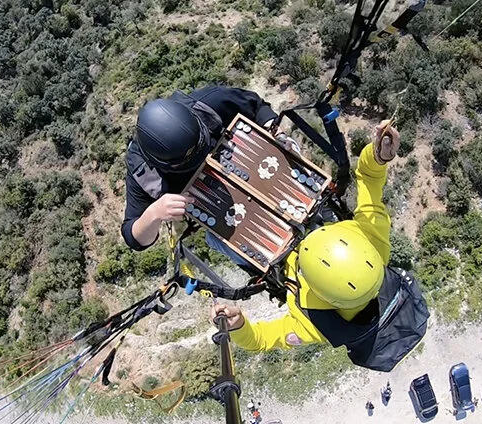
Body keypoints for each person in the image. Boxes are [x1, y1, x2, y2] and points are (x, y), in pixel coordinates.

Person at [210, 120, 429, 372]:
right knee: (283, 156)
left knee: (215, 237)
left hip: (270, 256)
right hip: (312, 213)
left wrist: (238, 326)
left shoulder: (315, 325)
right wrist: (378, 155)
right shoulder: (374, 245)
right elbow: (370, 179)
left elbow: (259, 339)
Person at [121, 86, 278, 254]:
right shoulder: (142, 172)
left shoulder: (207, 104)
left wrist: (275, 131)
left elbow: (256, 106)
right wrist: (153, 213)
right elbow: (133, 238)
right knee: (216, 241)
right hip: (232, 219)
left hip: (264, 172)